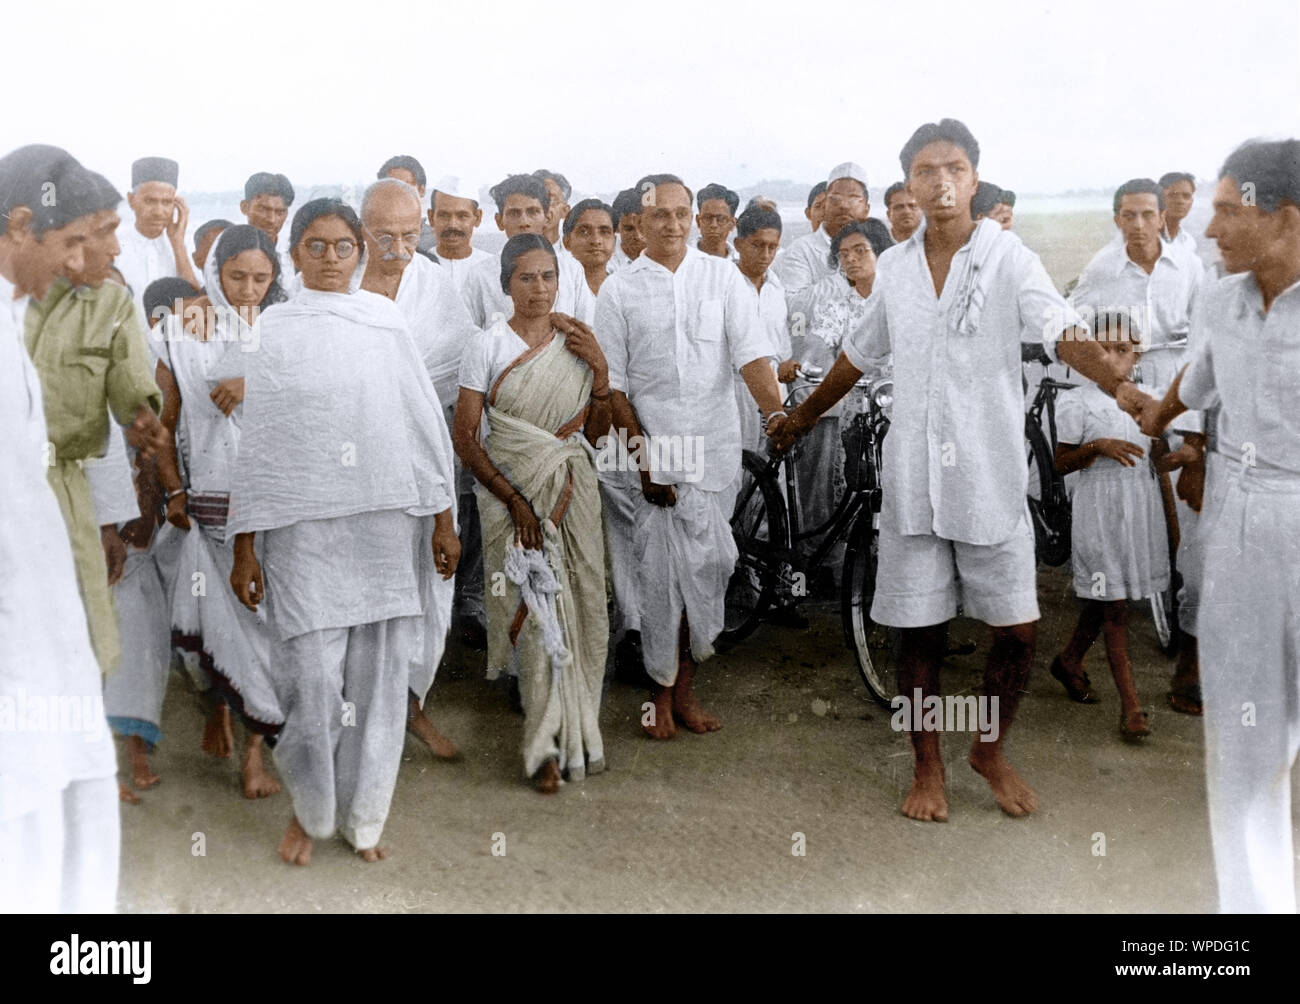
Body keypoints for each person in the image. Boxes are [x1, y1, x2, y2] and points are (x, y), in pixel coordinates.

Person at [772, 119, 1127, 821]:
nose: (941, 183)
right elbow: (856, 356)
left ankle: (988, 751)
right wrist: (804, 416)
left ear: (973, 177)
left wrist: (1117, 383)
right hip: (914, 480)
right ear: (907, 184)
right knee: (918, 630)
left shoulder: (1007, 258)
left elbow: (1059, 327)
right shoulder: (896, 270)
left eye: (955, 169)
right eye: (926, 171)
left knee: (1018, 630)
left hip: (990, 473)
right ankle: (927, 767)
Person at [226, 197, 459, 865]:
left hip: (385, 525)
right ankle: (311, 809)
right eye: (316, 246)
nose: (331, 259)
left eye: (343, 246)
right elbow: (261, 446)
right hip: (302, 531)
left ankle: (362, 820)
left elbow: (421, 423)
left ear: (360, 253)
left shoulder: (383, 322)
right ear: (293, 254)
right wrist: (246, 544)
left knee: (380, 680)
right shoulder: (274, 330)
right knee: (311, 680)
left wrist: (443, 518)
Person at [1139, 138, 1300, 913]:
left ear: (1286, 218)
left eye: (1231, 211)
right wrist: (1156, 418)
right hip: (1240, 522)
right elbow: (1195, 380)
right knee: (1245, 747)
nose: (1212, 228)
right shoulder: (1221, 302)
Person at [595, 173, 784, 740]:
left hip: (714, 451)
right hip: (654, 451)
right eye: (660, 216)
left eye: (683, 214)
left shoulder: (721, 277)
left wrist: (776, 414)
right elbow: (615, 388)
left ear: (697, 217)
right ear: (641, 222)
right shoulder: (620, 290)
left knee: (711, 568)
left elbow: (752, 357)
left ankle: (684, 686)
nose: (673, 225)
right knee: (660, 580)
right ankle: (661, 694)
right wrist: (644, 457)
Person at [0, 143, 120, 913]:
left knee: (61, 775)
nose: (83, 262)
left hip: (37, 600)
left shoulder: (14, 318)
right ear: (19, 226)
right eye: (71, 241)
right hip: (13, 613)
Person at [453, 233, 612, 792]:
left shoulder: (576, 340)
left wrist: (600, 375)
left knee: (587, 603)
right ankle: (542, 747)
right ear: (506, 284)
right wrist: (514, 499)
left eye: (548, 276)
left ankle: (579, 733)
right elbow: (467, 438)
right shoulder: (488, 344)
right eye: (526, 278)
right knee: (532, 608)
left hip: (572, 486)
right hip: (508, 494)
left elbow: (594, 434)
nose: (539, 288)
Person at [152, 225, 287, 799]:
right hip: (209, 503)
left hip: (277, 501)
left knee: (268, 627)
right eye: (237, 277)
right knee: (223, 621)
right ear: (213, 271)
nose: (249, 290)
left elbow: (318, 399)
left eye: (261, 278)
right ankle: (225, 711)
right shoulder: (179, 329)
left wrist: (254, 380)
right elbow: (161, 423)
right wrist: (173, 492)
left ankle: (253, 745)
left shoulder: (286, 329)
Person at [23, 167, 167, 678]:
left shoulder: (109, 305)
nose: (117, 249)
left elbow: (105, 424)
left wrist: (106, 521)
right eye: (101, 234)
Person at [1071, 178, 1204, 714]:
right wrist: (1108, 372)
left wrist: (1192, 414)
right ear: (1117, 219)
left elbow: (1204, 340)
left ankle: (1188, 656)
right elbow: (1072, 325)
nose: (1141, 225)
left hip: (1181, 386)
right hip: (1122, 390)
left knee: (1187, 514)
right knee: (1138, 503)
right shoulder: (1103, 268)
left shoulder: (1188, 267)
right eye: (1129, 215)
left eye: (1149, 214)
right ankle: (1134, 598)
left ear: (1161, 215)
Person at [359, 178, 476, 756]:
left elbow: (456, 370)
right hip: (349, 465)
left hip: (420, 459)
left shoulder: (432, 288)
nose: (400, 248)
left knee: (427, 586)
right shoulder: (338, 281)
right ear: (362, 230)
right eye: (386, 236)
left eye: (411, 235)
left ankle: (411, 706)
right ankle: (353, 716)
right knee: (357, 587)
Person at [1049, 310, 1168, 739]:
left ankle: (1069, 660)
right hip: (1098, 509)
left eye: (1123, 349)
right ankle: (1132, 708)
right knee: (1115, 606)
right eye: (1104, 350)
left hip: (1138, 508)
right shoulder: (1076, 402)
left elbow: (1159, 459)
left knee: (1107, 598)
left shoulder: (1150, 398)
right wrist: (1097, 447)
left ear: (1137, 356)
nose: (1114, 357)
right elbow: (1060, 464)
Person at [460, 174, 583, 328]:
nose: (524, 222)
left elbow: (587, 331)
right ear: (499, 221)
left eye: (533, 212)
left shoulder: (572, 270)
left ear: (546, 217)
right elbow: (468, 338)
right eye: (514, 213)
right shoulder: (480, 275)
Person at [772, 162, 870, 324]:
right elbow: (794, 310)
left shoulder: (880, 249)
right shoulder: (801, 250)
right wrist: (846, 277)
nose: (844, 206)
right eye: (836, 199)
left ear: (866, 208)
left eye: (853, 198)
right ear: (826, 206)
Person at [116, 157, 199, 317]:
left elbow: (197, 309)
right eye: (150, 201)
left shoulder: (187, 247)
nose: (158, 211)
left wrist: (177, 245)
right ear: (132, 200)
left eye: (166, 202)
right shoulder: (114, 247)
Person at [428, 177, 491, 290]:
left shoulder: (491, 268)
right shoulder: (419, 266)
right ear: (431, 217)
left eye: (462, 216)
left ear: (477, 218)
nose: (453, 225)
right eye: (444, 215)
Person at [562, 197, 617, 321]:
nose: (596, 241)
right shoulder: (556, 288)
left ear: (615, 242)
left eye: (604, 232)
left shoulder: (625, 287)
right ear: (566, 242)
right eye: (584, 232)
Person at [240, 171, 296, 277]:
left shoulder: (294, 254)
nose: (271, 220)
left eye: (280, 212)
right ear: (245, 207)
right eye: (263, 210)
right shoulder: (228, 250)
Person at [378, 154, 436, 252]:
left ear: (421, 190)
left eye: (406, 187)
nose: (398, 195)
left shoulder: (437, 240)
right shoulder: (371, 237)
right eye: (391, 187)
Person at [695, 182, 739, 260]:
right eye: (707, 218)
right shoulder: (682, 259)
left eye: (721, 219)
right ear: (698, 221)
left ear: (732, 224)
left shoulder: (741, 264)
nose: (713, 225)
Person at [1159, 170, 1197, 257]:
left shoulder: (1188, 242)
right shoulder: (1145, 237)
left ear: (1191, 201)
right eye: (1172, 195)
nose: (1180, 201)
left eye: (1186, 196)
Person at [532, 168, 572, 247]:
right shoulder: (507, 256)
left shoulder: (575, 257)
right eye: (535, 198)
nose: (540, 207)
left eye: (550, 200)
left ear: (565, 211)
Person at [610, 187, 645, 270]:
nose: (638, 236)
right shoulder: (604, 262)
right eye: (629, 229)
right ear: (616, 228)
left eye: (642, 228)